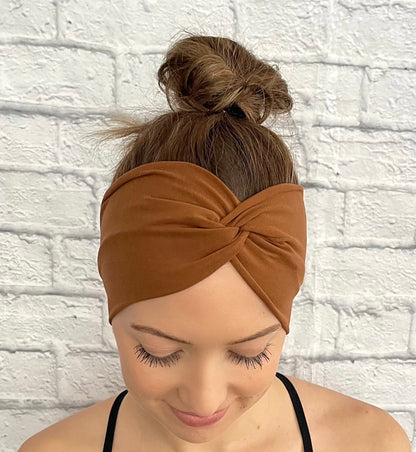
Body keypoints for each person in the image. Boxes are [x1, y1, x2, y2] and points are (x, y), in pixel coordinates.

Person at [19, 33, 411, 452]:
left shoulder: (368, 444)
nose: (204, 400)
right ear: (112, 300)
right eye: (157, 352)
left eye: (250, 354)